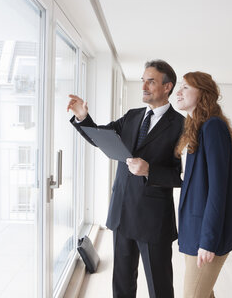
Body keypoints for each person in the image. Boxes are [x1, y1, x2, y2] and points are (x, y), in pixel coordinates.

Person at [67, 60, 184, 298]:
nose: (144, 86)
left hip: (153, 220)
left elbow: (181, 176)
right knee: (121, 282)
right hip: (122, 213)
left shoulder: (181, 126)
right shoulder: (132, 116)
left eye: (151, 81)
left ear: (167, 86)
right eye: (143, 80)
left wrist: (149, 170)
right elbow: (101, 137)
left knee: (159, 286)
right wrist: (82, 117)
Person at [175, 71, 232, 298]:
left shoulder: (213, 127)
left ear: (203, 93)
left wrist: (208, 240)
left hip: (205, 234)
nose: (179, 92)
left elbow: (218, 190)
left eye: (185, 87)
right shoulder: (197, 126)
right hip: (194, 229)